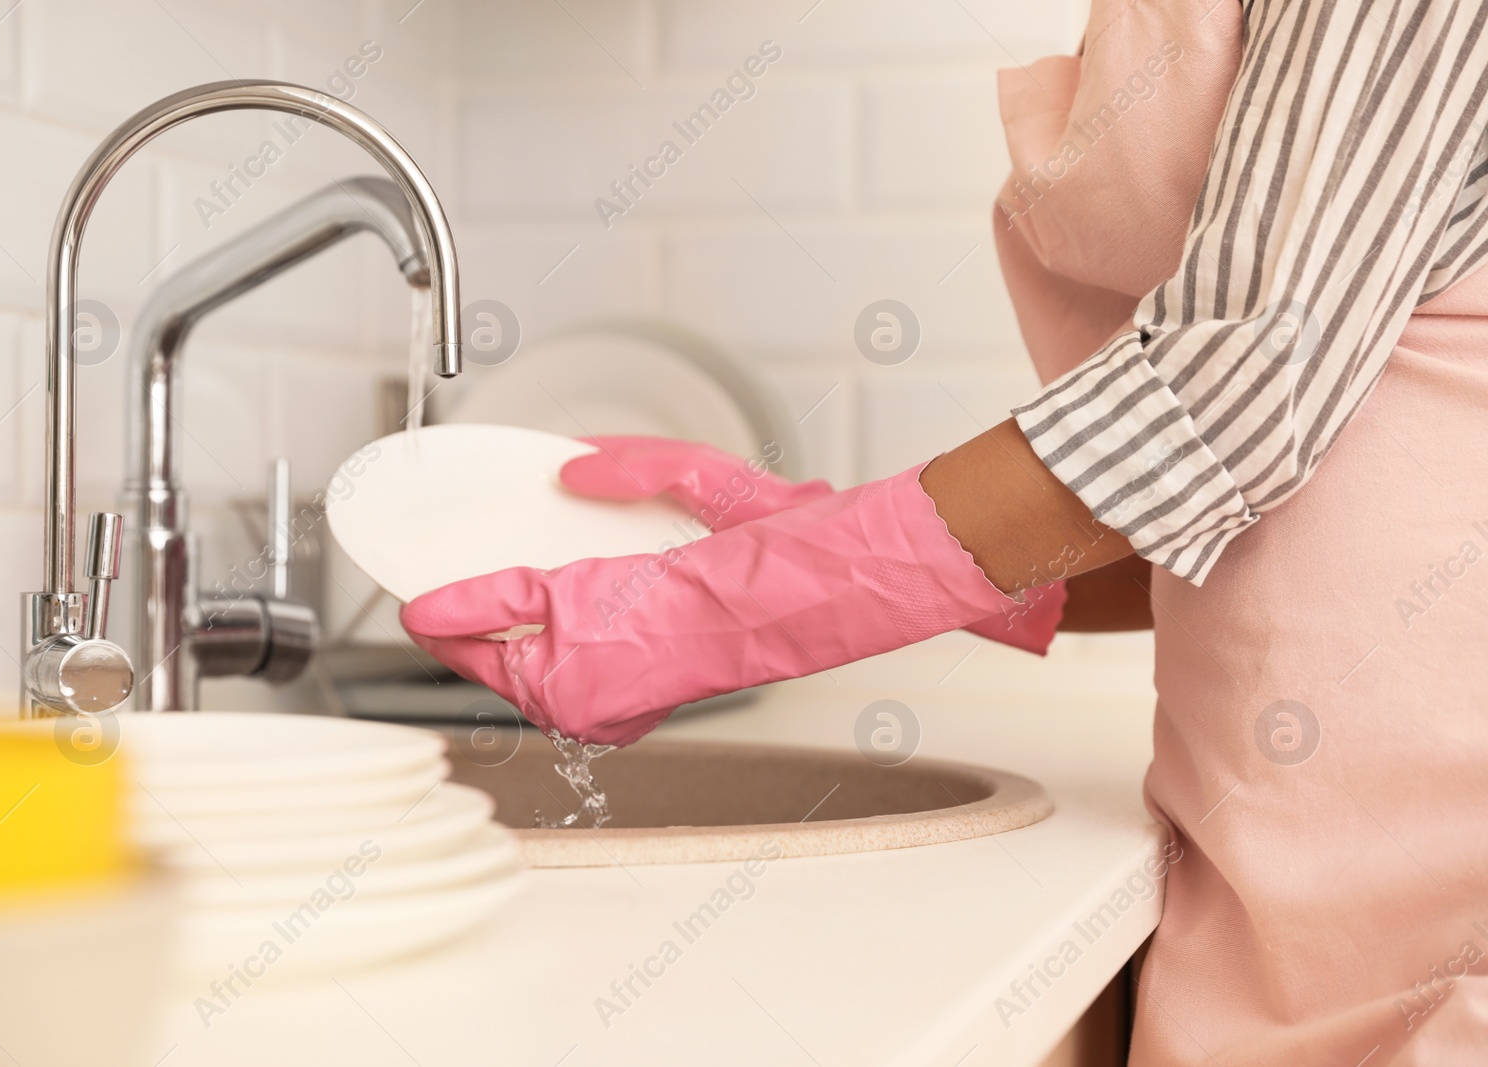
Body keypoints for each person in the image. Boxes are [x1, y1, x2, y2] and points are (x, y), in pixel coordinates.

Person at [403, 0, 1488, 1060]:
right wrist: (807, 534)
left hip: (1427, 895)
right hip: (1284, 886)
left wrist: (719, 609)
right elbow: (1262, 517)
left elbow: (1225, 389)